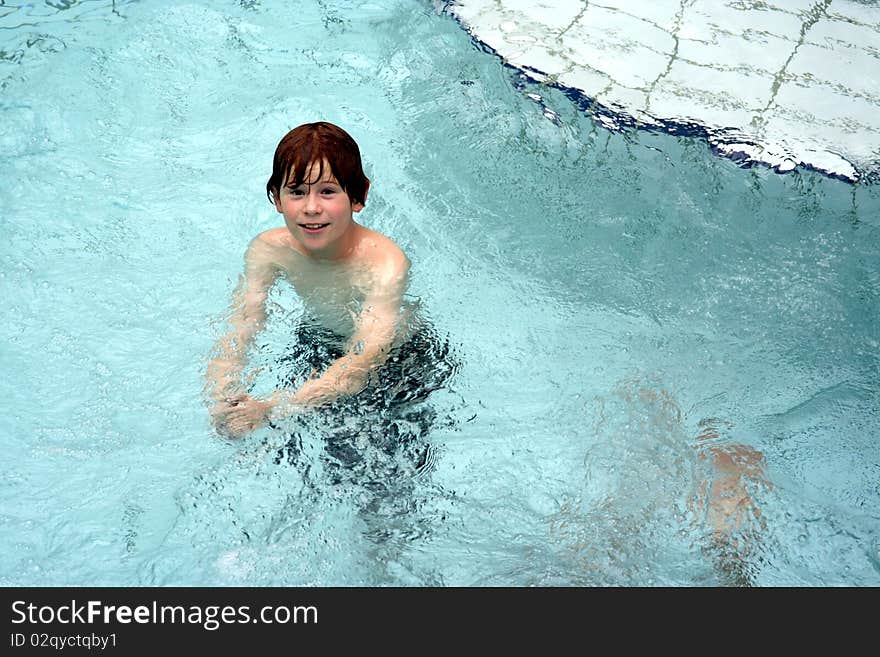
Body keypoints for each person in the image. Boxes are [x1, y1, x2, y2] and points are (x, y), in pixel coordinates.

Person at [206, 121, 448, 441]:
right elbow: (243, 323)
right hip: (319, 339)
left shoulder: (385, 263)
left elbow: (365, 357)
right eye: (296, 192)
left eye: (328, 191)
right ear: (276, 199)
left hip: (396, 362)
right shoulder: (269, 251)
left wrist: (273, 407)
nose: (311, 208)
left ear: (358, 197)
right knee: (288, 445)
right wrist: (224, 395)